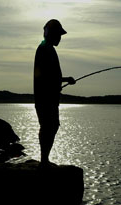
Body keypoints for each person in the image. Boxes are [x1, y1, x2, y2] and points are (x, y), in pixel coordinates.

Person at [34, 19, 76, 166]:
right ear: (51, 34)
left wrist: (63, 80)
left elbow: (51, 76)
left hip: (47, 97)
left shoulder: (47, 48)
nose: (60, 38)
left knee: (51, 126)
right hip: (45, 98)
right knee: (49, 126)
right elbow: (45, 75)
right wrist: (59, 82)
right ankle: (44, 160)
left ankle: (44, 159)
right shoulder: (45, 49)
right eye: (58, 35)